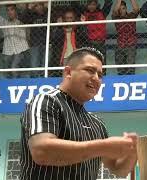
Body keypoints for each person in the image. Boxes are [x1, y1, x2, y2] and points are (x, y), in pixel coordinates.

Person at [20, 47, 137, 180]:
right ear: (68, 72)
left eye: (100, 75)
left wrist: (132, 152)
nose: (96, 78)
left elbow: (118, 170)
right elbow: (41, 151)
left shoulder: (97, 123)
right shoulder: (45, 101)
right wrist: (102, 146)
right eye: (90, 70)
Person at [0, 4, 30, 78]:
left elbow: (24, 9)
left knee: (14, 68)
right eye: (8, 10)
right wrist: (2, 4)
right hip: (8, 51)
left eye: (12, 9)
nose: (9, 12)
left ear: (16, 11)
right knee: (6, 69)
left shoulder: (21, 21)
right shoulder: (4, 22)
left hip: (21, 50)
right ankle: (9, 84)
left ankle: (17, 83)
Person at [83, 0, 113, 74]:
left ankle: (103, 79)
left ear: (97, 5)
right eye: (90, 4)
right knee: (89, 64)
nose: (91, 6)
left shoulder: (102, 13)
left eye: (93, 4)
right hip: (89, 43)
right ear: (87, 5)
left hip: (100, 43)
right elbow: (75, 5)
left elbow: (108, 3)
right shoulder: (84, 14)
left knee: (102, 63)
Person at [112, 0, 139, 75]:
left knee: (130, 67)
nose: (122, 11)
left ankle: (131, 81)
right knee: (120, 68)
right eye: (120, 9)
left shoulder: (131, 16)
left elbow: (136, 10)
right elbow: (114, 11)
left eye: (123, 8)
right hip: (120, 44)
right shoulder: (116, 18)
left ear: (126, 8)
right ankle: (121, 81)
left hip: (131, 44)